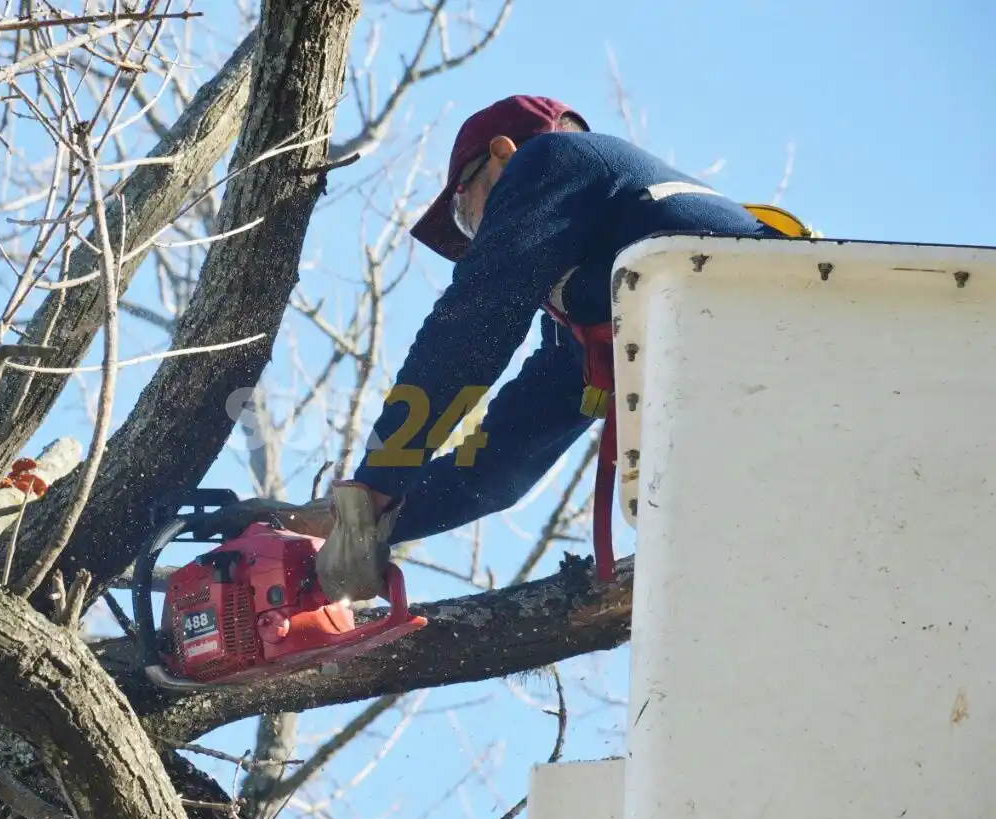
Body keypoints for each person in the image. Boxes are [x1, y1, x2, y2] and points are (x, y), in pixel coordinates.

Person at [214, 94, 793, 603]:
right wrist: (351, 523)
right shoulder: (591, 313)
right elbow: (498, 470)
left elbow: (472, 326)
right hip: (767, 395)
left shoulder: (553, 159)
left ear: (501, 154)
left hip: (788, 326)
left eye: (466, 218)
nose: (476, 240)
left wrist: (374, 486)